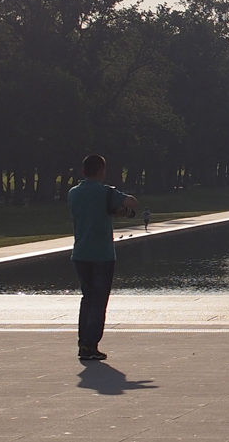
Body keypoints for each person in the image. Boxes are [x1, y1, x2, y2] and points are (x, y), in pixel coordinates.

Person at [69, 154, 135, 360]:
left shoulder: (73, 193)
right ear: (101, 171)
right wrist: (119, 209)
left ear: (83, 171)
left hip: (80, 252)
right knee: (99, 301)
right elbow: (132, 202)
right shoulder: (106, 192)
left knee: (87, 298)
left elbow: (90, 212)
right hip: (102, 254)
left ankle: (83, 343)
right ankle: (91, 344)